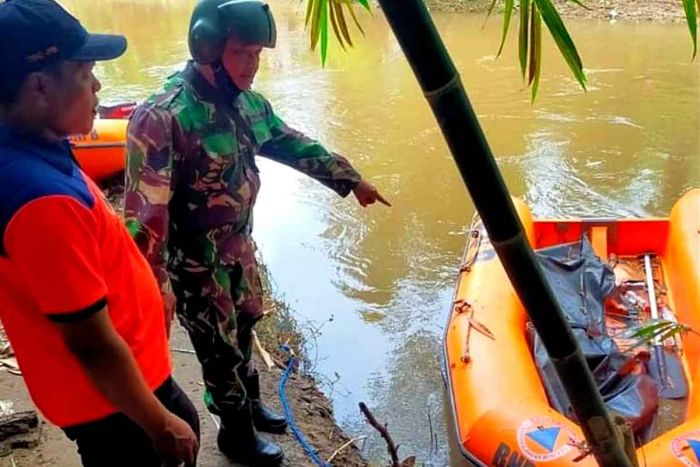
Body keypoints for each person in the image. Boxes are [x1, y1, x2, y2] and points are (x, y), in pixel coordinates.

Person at [124, 0, 390, 464]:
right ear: (207, 48)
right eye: (244, 53)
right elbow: (145, 217)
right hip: (196, 264)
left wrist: (349, 178)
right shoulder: (164, 116)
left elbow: (290, 142)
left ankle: (247, 403)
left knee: (246, 322)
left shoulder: (247, 104)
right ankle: (236, 434)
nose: (253, 65)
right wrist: (157, 287)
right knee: (218, 345)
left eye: (259, 55)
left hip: (238, 247)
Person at [0, 1, 200, 466]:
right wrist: (157, 423)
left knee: (183, 417)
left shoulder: (34, 145)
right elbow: (90, 343)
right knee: (172, 436)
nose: (98, 85)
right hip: (112, 403)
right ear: (41, 85)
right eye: (86, 70)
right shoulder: (40, 200)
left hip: (123, 384)